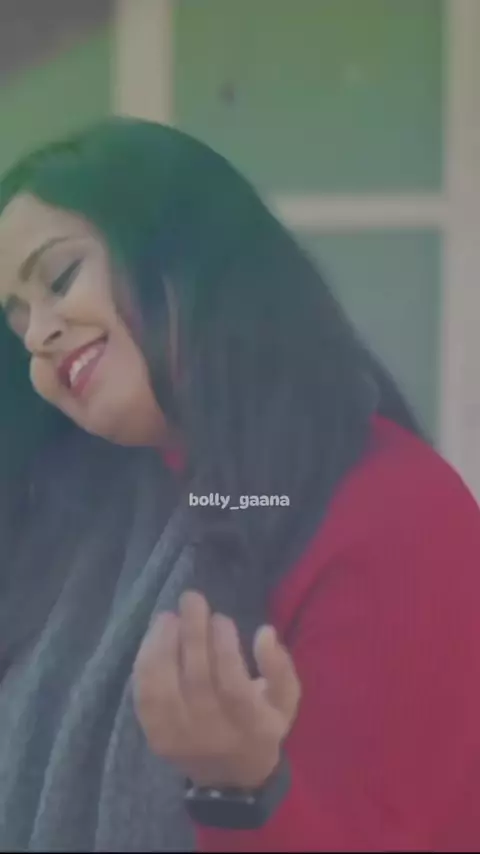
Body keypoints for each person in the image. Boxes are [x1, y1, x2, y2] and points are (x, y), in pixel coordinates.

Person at [0, 117, 479, 854]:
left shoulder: (394, 511)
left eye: (60, 279)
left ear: (182, 253)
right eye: (17, 321)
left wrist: (237, 786)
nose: (38, 334)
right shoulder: (77, 525)